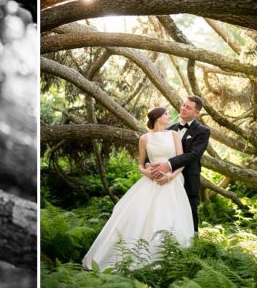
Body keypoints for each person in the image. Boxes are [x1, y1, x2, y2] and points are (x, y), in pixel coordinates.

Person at [82, 105, 194, 271]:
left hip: (171, 182)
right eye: (166, 114)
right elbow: (140, 164)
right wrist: (147, 173)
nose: (169, 116)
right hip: (151, 182)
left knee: (170, 218)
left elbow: (181, 161)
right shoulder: (145, 138)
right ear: (157, 118)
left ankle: (171, 265)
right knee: (136, 216)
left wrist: (170, 176)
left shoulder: (174, 135)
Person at [146, 94, 210, 231]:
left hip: (188, 179)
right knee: (165, 214)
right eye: (183, 105)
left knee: (189, 214)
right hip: (164, 179)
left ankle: (193, 246)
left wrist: (168, 164)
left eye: (188, 107)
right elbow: (152, 149)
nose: (183, 108)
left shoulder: (203, 131)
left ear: (197, 113)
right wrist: (149, 167)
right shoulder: (169, 129)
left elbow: (193, 155)